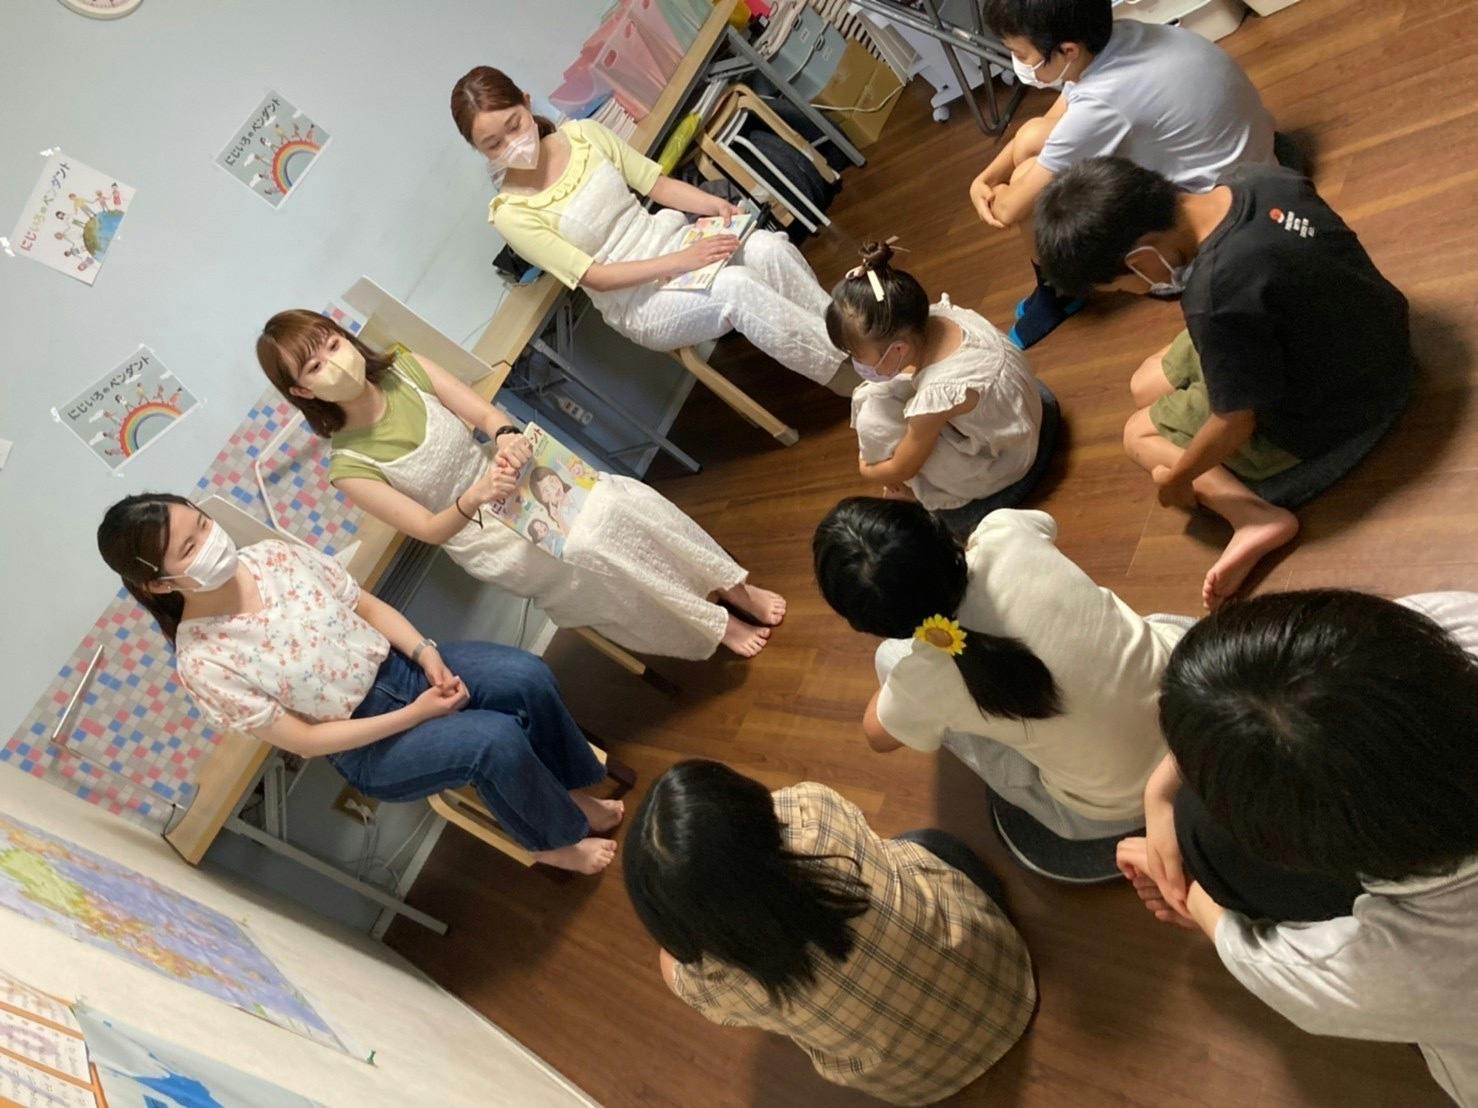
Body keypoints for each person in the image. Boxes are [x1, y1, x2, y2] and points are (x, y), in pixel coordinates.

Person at [96, 494, 621, 874]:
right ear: (158, 584)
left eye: (203, 523)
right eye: (191, 547)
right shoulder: (203, 659)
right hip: (369, 743)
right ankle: (552, 842)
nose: (211, 541)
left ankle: (569, 792)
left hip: (403, 668)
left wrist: (425, 654)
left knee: (525, 676)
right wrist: (416, 714)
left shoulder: (273, 557)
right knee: (494, 740)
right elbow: (305, 740)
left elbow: (365, 606)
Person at [1119, 590, 1478, 1106]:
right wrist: (1158, 794)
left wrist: (1192, 896)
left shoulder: (1414, 968)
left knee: (1198, 831)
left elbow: (1263, 962)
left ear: (1303, 849)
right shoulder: (1453, 624)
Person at [257, 310, 786, 660]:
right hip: (479, 533)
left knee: (622, 503)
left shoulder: (406, 368)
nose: (335, 362)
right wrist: (475, 497)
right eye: (315, 365)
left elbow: (488, 417)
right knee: (589, 547)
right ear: (302, 391)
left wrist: (506, 437)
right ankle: (711, 624)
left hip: (518, 479)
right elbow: (429, 530)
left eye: (333, 344)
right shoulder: (348, 466)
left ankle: (730, 585)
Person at [1035, 157, 1413, 610]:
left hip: (1342, 405)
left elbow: (1235, 423)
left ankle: (1255, 518)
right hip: (1373, 329)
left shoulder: (1214, 295)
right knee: (1145, 384)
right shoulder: (1259, 178)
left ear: (1141, 259)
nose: (1129, 292)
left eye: (1120, 286)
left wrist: (1179, 479)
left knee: (1139, 433)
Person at [624, 759, 1035, 1105]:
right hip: (1005, 971)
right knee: (925, 842)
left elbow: (672, 964)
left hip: (922, 1084)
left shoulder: (711, 985)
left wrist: (689, 930)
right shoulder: (814, 813)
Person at [813, 497, 1189, 875]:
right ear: (935, 528)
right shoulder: (1006, 532)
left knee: (889, 659)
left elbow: (876, 735)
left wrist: (911, 683)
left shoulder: (921, 680)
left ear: (867, 623)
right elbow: (1045, 524)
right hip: (1195, 698)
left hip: (1121, 805)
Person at [450, 66, 850, 392]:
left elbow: (656, 185)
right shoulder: (511, 213)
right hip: (638, 303)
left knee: (768, 248)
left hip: (675, 242)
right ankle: (849, 380)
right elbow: (595, 277)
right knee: (736, 286)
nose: (512, 144)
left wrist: (713, 205)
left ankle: (853, 340)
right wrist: (681, 261)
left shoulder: (584, 136)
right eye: (494, 144)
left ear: (526, 102)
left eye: (514, 125)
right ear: (479, 150)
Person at [972, 0, 1275, 348]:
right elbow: (1051, 120)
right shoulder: (1116, 38)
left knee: (1033, 186)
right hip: (1254, 167)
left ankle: (1058, 291)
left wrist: (995, 192)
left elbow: (1007, 210)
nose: (1021, 66)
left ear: (1067, 51)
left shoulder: (1104, 101)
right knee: (1032, 137)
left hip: (1217, 224)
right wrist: (984, 178)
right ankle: (1052, 287)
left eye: (1021, 55)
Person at [828, 239, 1045, 510]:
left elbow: (903, 467)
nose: (856, 362)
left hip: (1007, 459)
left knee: (874, 416)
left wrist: (868, 469)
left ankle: (915, 495)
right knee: (876, 396)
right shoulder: (938, 316)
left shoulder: (935, 398)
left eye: (857, 355)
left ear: (898, 349)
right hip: (1020, 414)